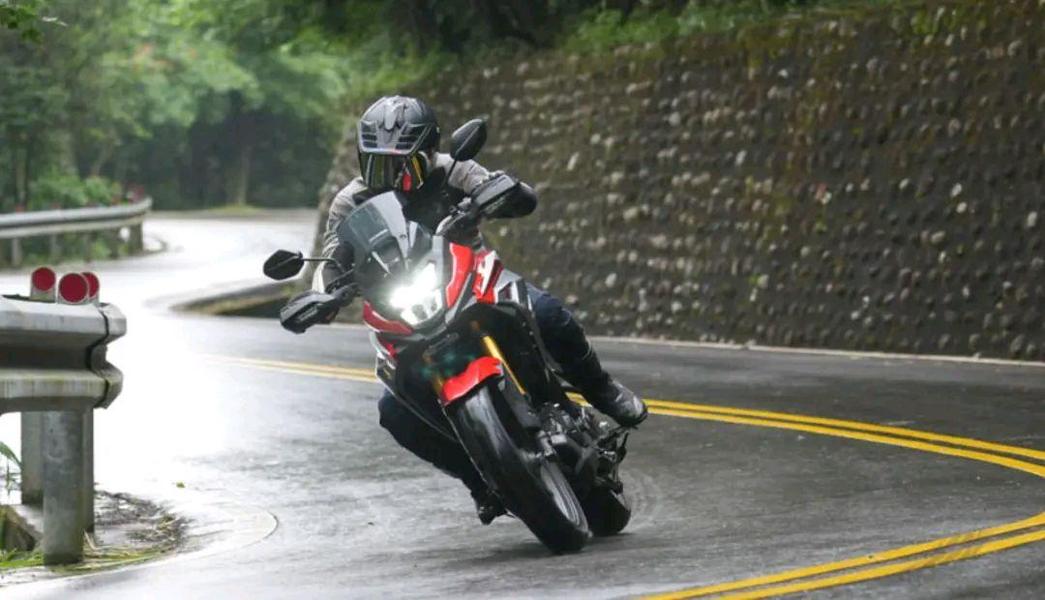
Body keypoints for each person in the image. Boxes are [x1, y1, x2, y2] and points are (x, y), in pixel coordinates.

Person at [315, 96, 646, 523]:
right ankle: (480, 481)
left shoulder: (454, 169)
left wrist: (503, 192)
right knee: (393, 413)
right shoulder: (350, 202)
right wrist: (322, 293)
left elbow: (510, 193)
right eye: (379, 166)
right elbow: (331, 257)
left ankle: (602, 389)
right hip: (400, 308)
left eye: (404, 166)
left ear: (429, 152)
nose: (393, 178)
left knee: (546, 312)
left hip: (473, 278)